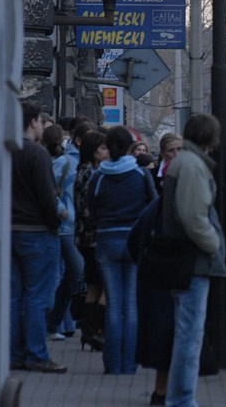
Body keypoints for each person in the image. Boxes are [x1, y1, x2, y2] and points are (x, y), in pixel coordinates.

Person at [163, 114, 226, 407]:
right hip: (193, 260)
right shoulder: (192, 165)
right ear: (210, 137)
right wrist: (214, 245)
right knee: (190, 334)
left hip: (184, 259)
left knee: (186, 332)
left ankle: (180, 397)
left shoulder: (186, 162)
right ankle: (182, 399)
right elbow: (193, 217)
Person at [87, 126, 157, 374]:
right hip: (135, 240)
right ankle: (129, 364)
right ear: (129, 146)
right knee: (131, 304)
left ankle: (112, 364)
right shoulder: (139, 174)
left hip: (107, 241)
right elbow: (153, 204)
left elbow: (91, 208)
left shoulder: (99, 176)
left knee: (114, 305)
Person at [10, 102, 66, 373]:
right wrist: (56, 222)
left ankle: (14, 353)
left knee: (14, 296)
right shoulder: (37, 154)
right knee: (37, 297)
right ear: (33, 123)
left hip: (9, 230)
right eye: (42, 123)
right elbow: (47, 197)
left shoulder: (4, 150)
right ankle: (37, 354)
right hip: (38, 233)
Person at [41, 124, 86, 342]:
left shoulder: (87, 165)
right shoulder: (66, 162)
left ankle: (57, 322)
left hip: (77, 227)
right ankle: (52, 321)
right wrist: (62, 211)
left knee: (71, 274)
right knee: (75, 270)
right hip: (65, 227)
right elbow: (49, 187)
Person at [74, 130, 108, 351]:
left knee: (94, 285)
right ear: (94, 152)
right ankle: (96, 329)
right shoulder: (90, 173)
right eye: (103, 148)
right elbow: (89, 207)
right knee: (105, 285)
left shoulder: (83, 170)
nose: (107, 152)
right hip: (93, 236)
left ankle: (88, 330)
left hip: (84, 236)